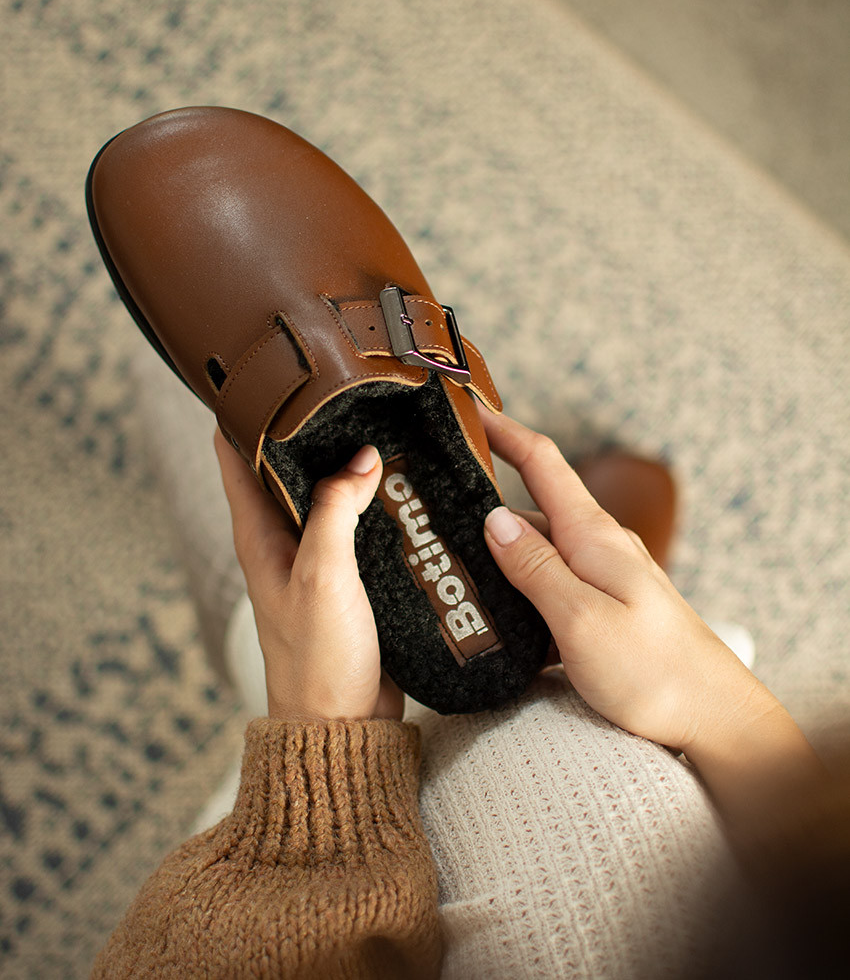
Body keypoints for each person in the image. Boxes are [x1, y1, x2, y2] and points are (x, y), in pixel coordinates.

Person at [90, 409, 831, 979]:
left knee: (235, 474)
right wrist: (721, 705)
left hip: (353, 759)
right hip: (663, 724)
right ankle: (589, 599)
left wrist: (320, 747)